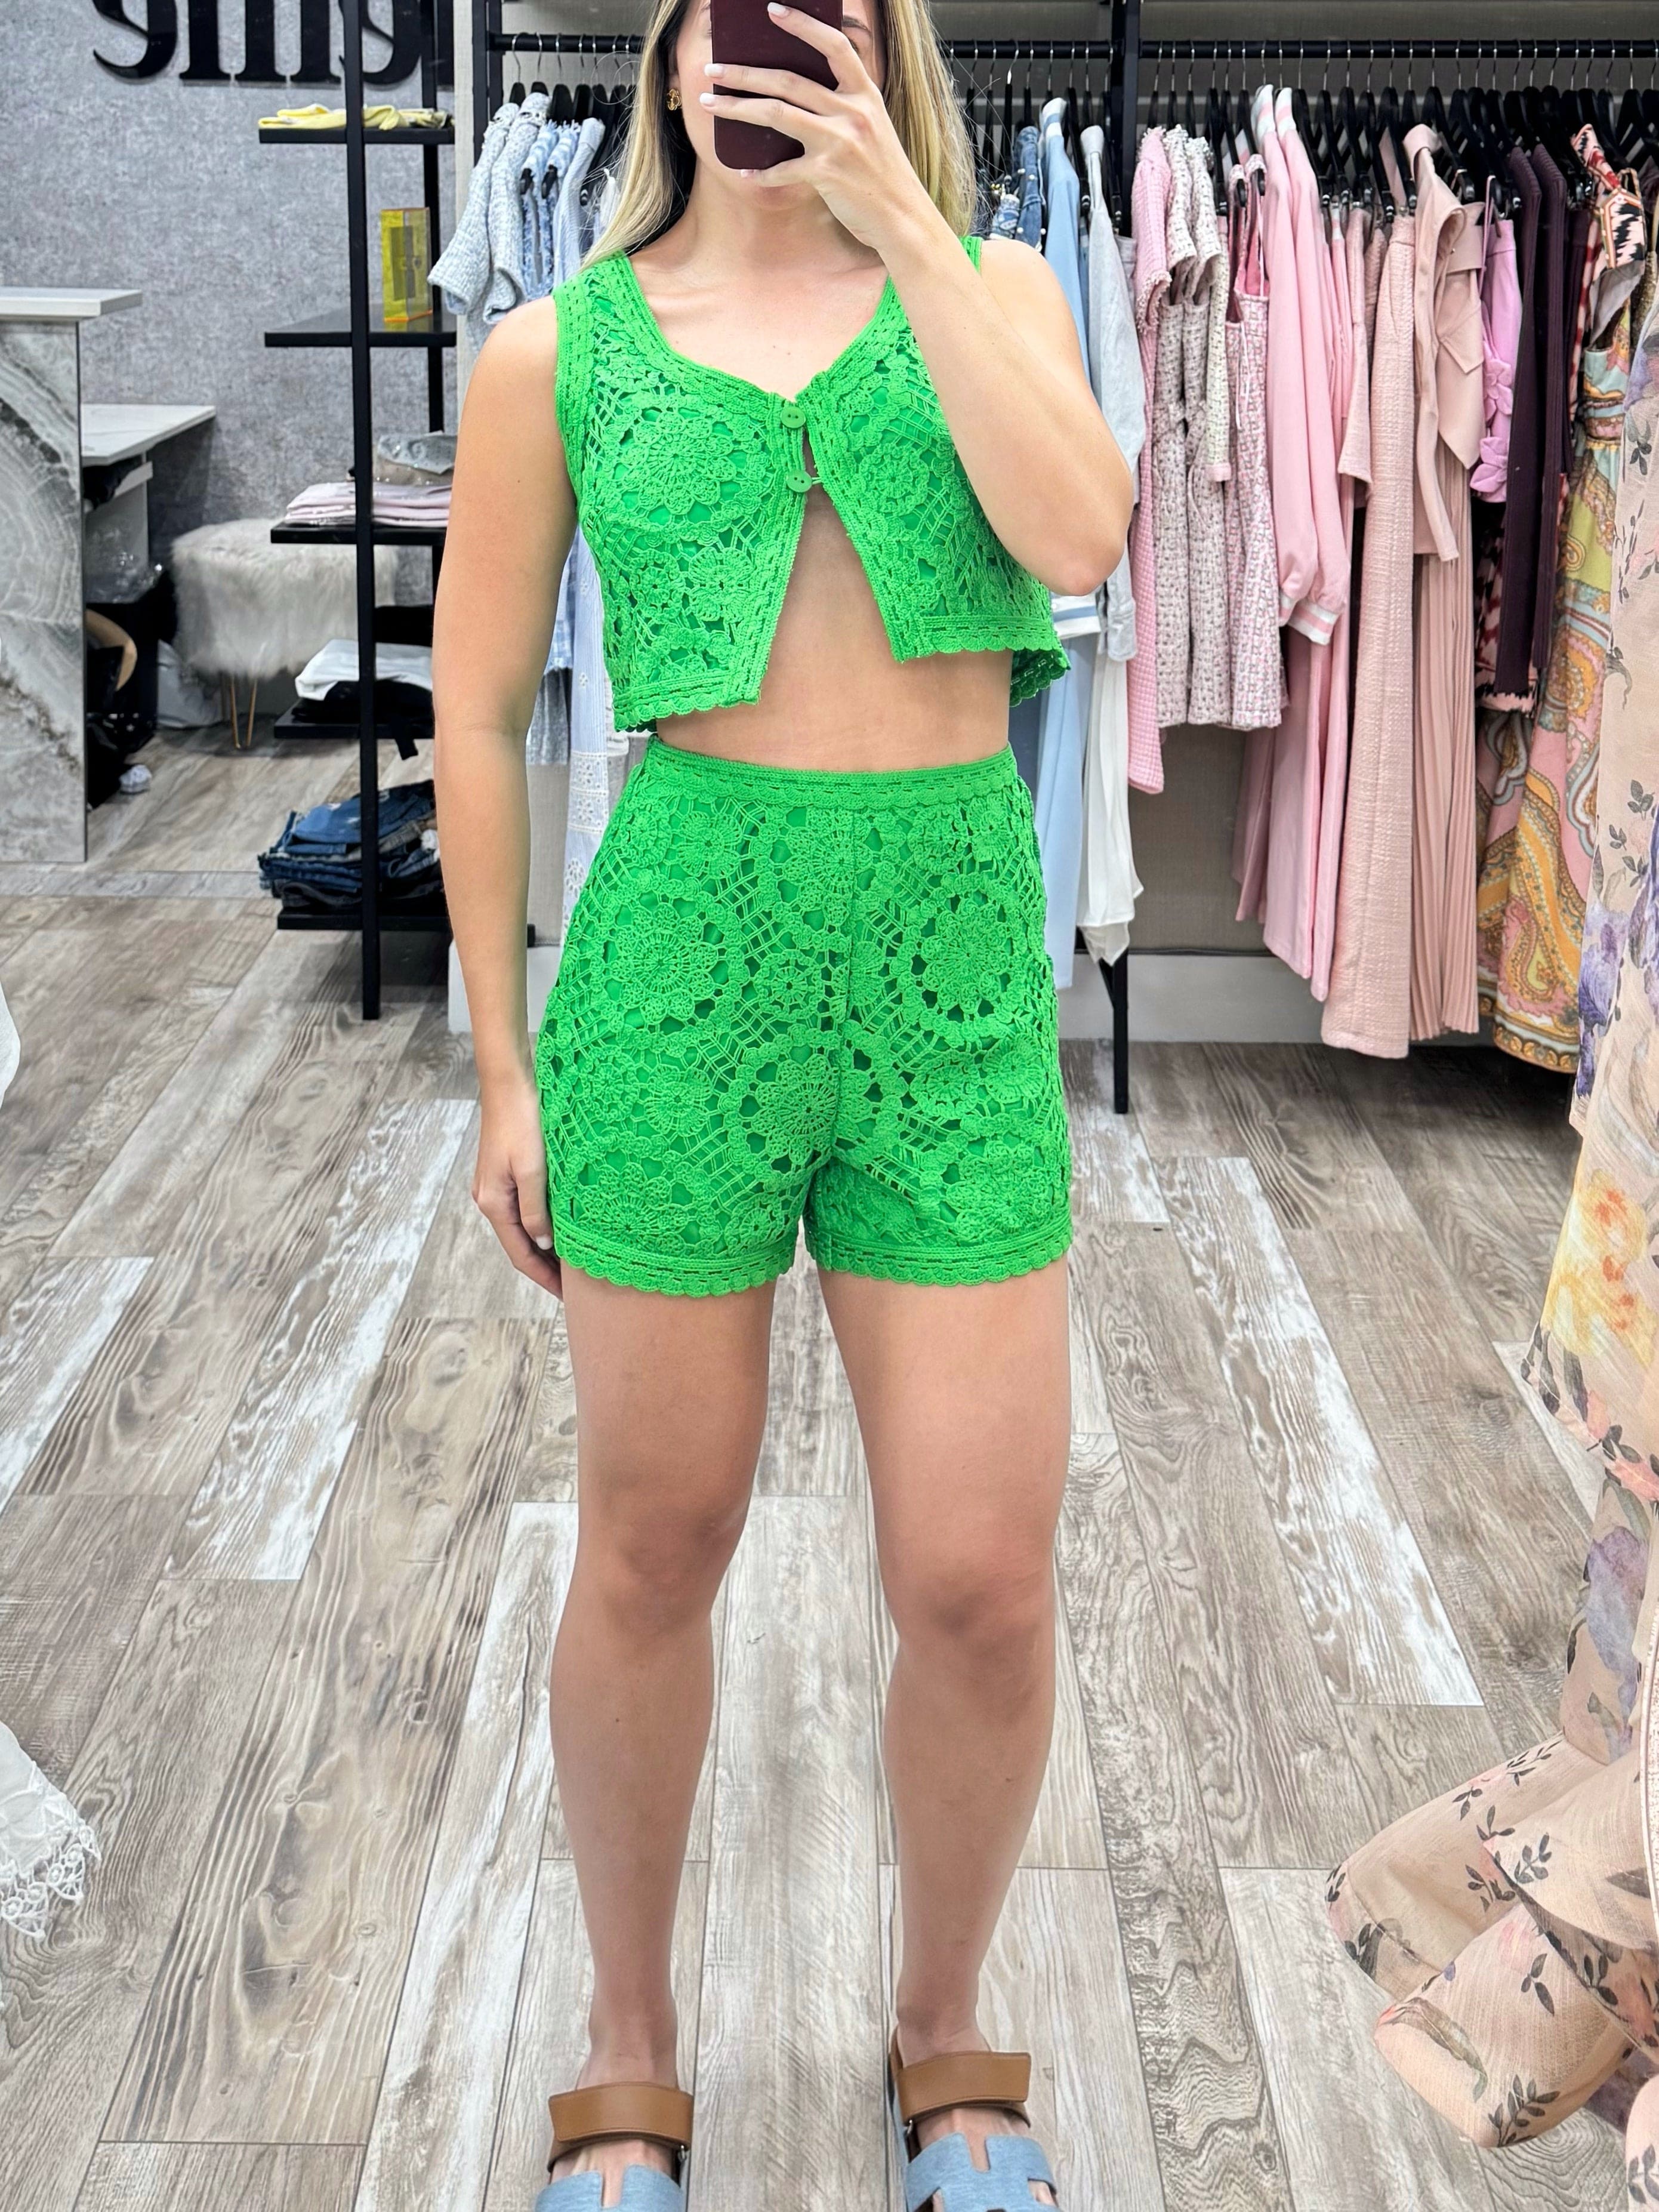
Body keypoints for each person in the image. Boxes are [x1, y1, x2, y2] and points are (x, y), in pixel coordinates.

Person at [432, 0, 1130, 2202]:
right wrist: (500, 1063)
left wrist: (907, 222)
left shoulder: (994, 286)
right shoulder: (554, 350)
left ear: (880, 40)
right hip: (677, 968)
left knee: (980, 1577)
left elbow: (1083, 531)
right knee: (654, 1543)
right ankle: (627, 2058)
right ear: (665, 53)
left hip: (947, 977)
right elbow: (474, 714)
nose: (763, 48)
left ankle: (949, 2039)